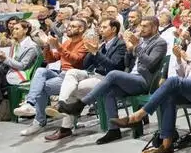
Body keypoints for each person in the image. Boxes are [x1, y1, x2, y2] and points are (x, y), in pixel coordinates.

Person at [109, 20, 191, 153]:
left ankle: (138, 115)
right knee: (168, 96)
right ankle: (166, 143)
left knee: (172, 81)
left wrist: (188, 60)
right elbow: (183, 73)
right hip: (190, 84)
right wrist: (178, 59)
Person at [58, 16, 167, 144]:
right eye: (141, 26)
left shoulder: (160, 42)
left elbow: (150, 64)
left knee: (113, 74)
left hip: (145, 81)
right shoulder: (142, 41)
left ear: (154, 28)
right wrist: (130, 49)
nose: (141, 29)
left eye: (145, 26)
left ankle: (81, 104)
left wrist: (137, 47)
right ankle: (113, 130)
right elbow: (128, 63)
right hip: (132, 77)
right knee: (108, 91)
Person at [44, 17, 126, 140]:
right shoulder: (101, 43)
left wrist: (95, 52)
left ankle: (65, 128)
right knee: (71, 72)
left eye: (104, 27)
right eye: (100, 27)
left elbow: (114, 66)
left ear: (113, 29)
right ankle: (61, 103)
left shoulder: (120, 44)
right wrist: (90, 50)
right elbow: (85, 65)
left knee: (73, 89)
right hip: (93, 74)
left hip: (108, 78)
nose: (100, 30)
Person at [14, 19, 88, 136]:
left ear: (81, 29)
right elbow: (51, 59)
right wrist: (47, 46)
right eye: (69, 26)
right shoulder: (67, 42)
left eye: (73, 26)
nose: (68, 28)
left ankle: (38, 120)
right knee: (41, 70)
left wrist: (58, 46)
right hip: (60, 73)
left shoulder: (85, 43)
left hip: (73, 76)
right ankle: (30, 104)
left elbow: (75, 60)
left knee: (41, 87)